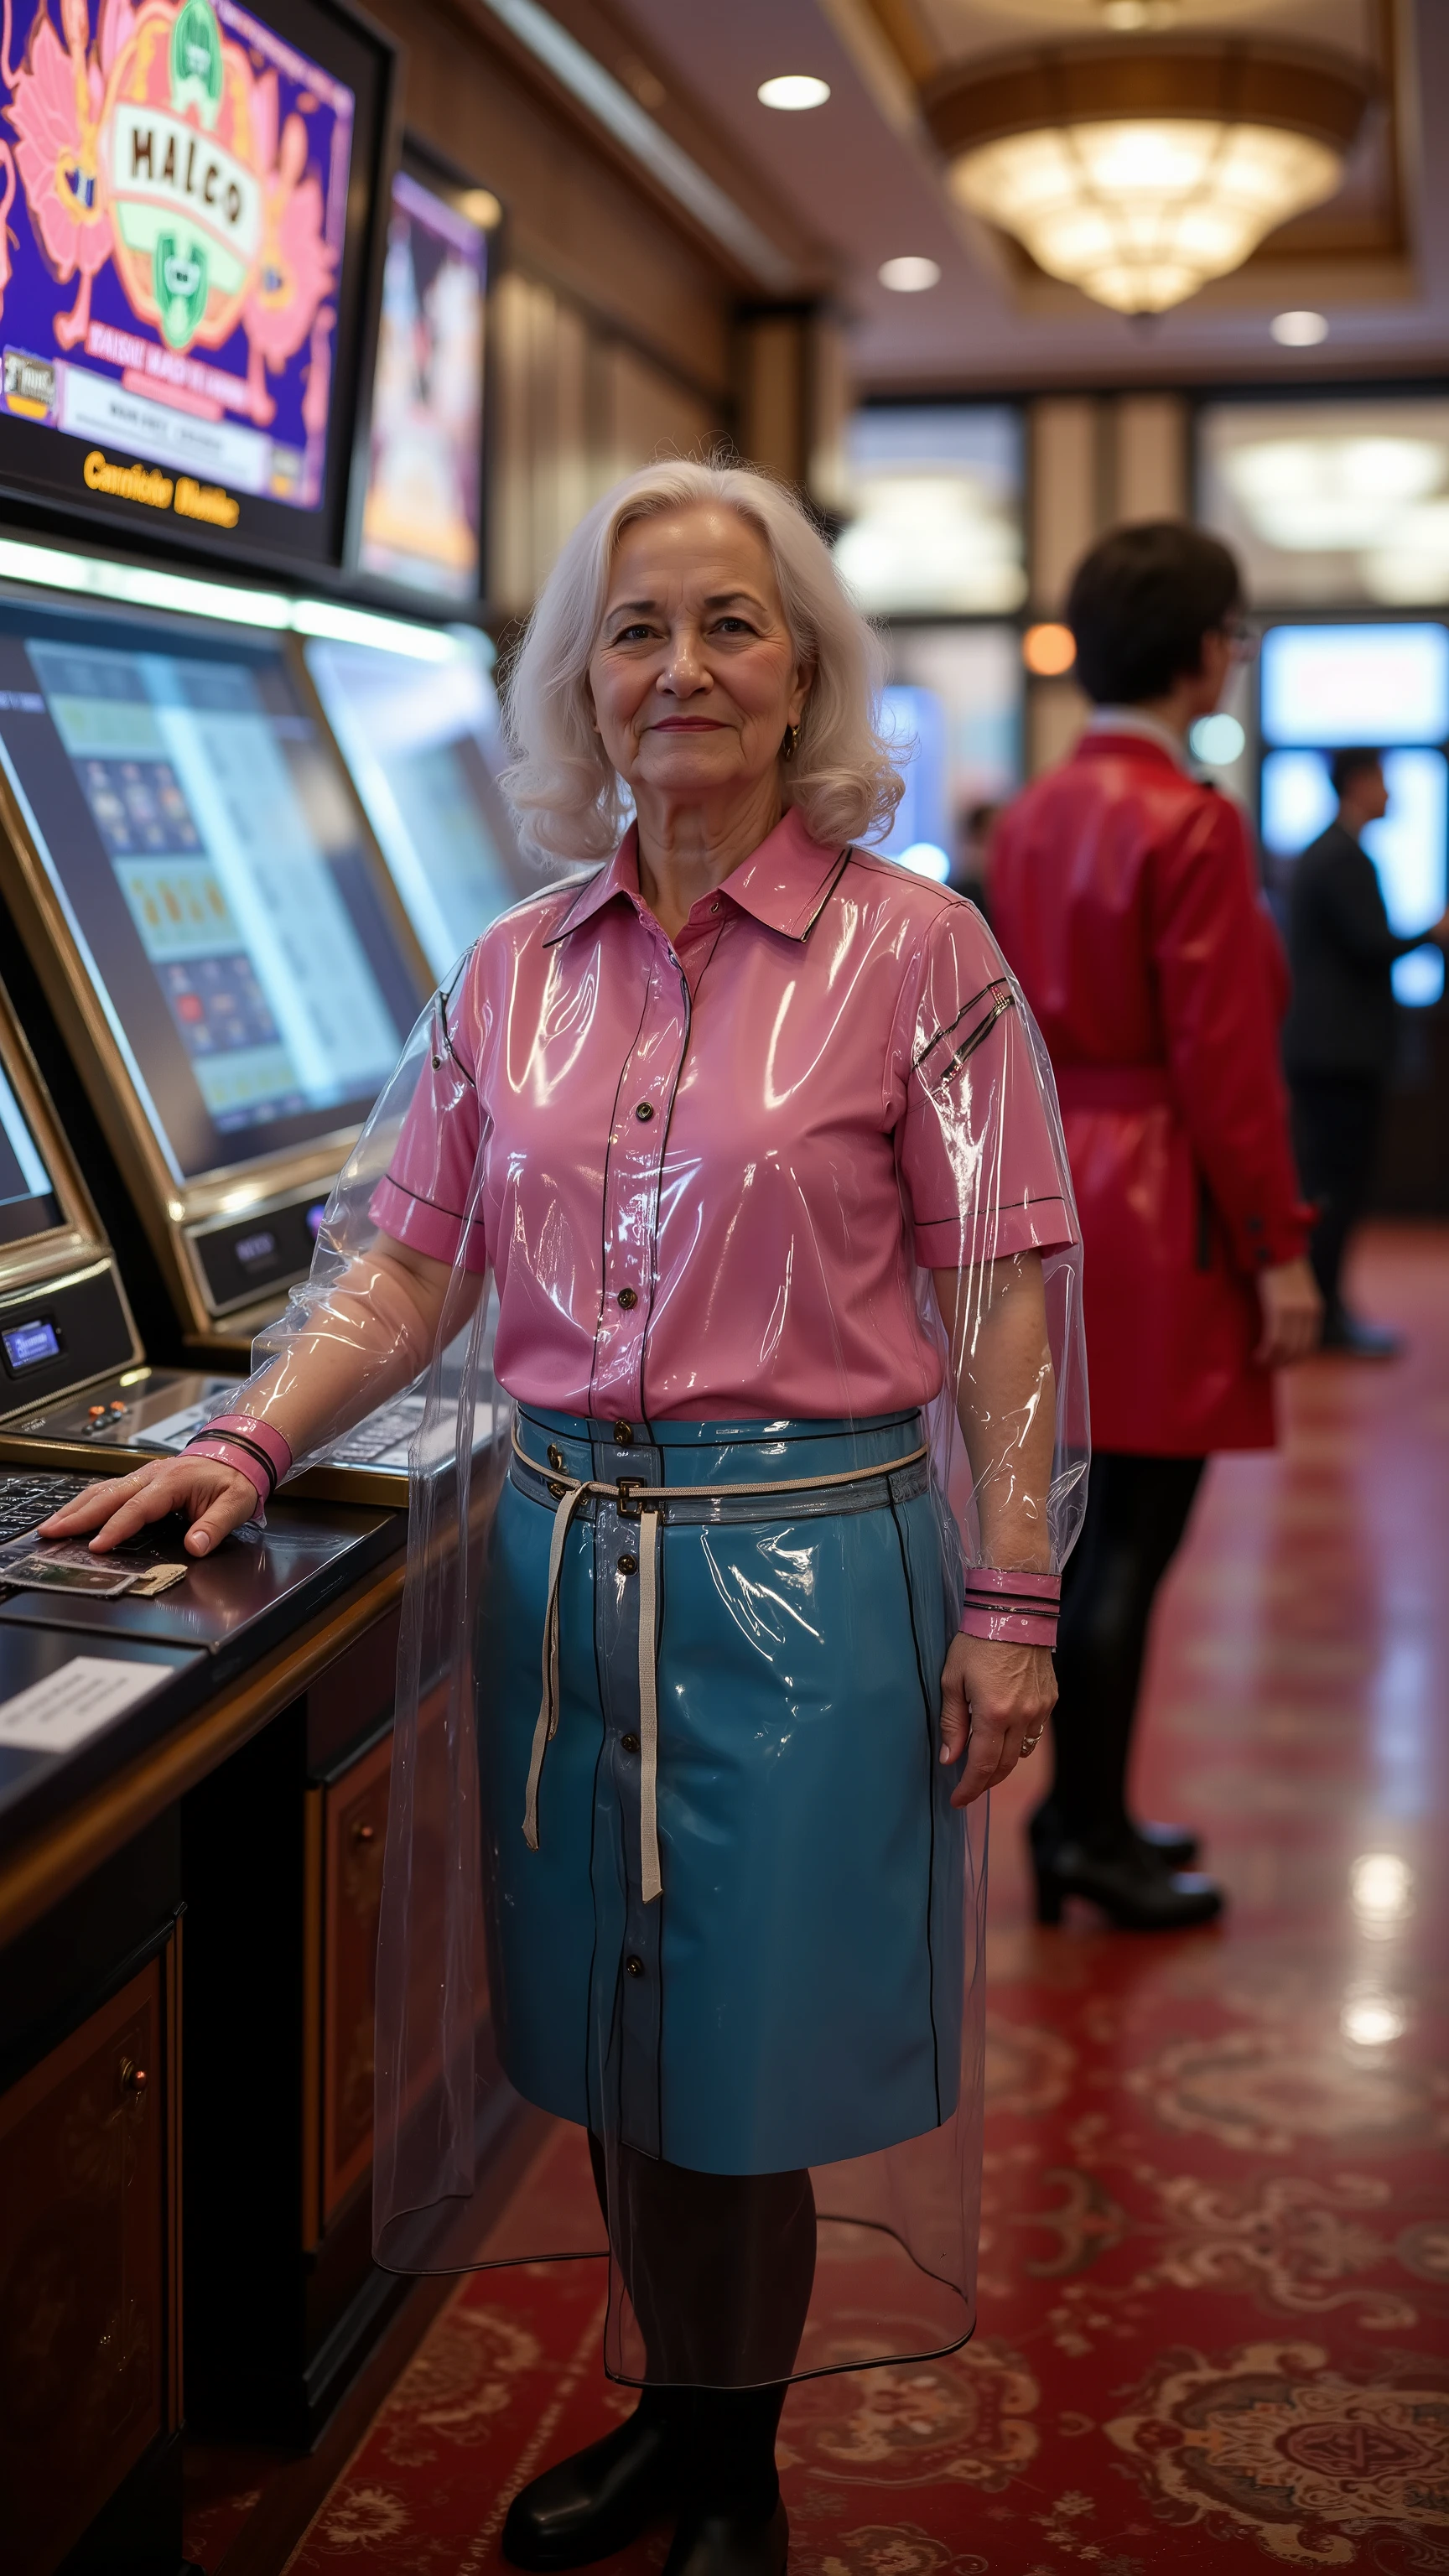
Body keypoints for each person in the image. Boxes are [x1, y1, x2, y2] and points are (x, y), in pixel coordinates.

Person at [43, 463, 1086, 2576]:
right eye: (632, 630)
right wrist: (243, 1443)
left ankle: (733, 2473)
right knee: (609, 2034)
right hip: (556, 1560)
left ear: (799, 670)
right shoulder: (509, 963)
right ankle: (665, 2408)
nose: (678, 667)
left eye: (726, 622)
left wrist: (1008, 1597)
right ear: (573, 686)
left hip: (814, 1571)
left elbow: (1004, 1296)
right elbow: (399, 1269)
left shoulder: (919, 950)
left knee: (744, 2058)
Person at [991, 520, 1321, 1934]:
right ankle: (1084, 1833)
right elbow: (1226, 1064)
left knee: (1075, 1531)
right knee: (1133, 1543)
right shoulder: (1192, 821)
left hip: (1050, 1183)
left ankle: (1085, 1818)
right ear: (1201, 656)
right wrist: (1280, 1245)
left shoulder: (1031, 813)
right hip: (1162, 1201)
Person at [1282, 747, 1449, 1358]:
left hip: (1329, 1048)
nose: (1392, 793)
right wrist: (1432, 933)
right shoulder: (1342, 855)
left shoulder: (1329, 849)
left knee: (1332, 1182)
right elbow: (1370, 945)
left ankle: (1330, 1306)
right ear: (1358, 783)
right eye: (1383, 780)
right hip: (1338, 1051)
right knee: (1334, 1186)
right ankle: (1326, 1315)